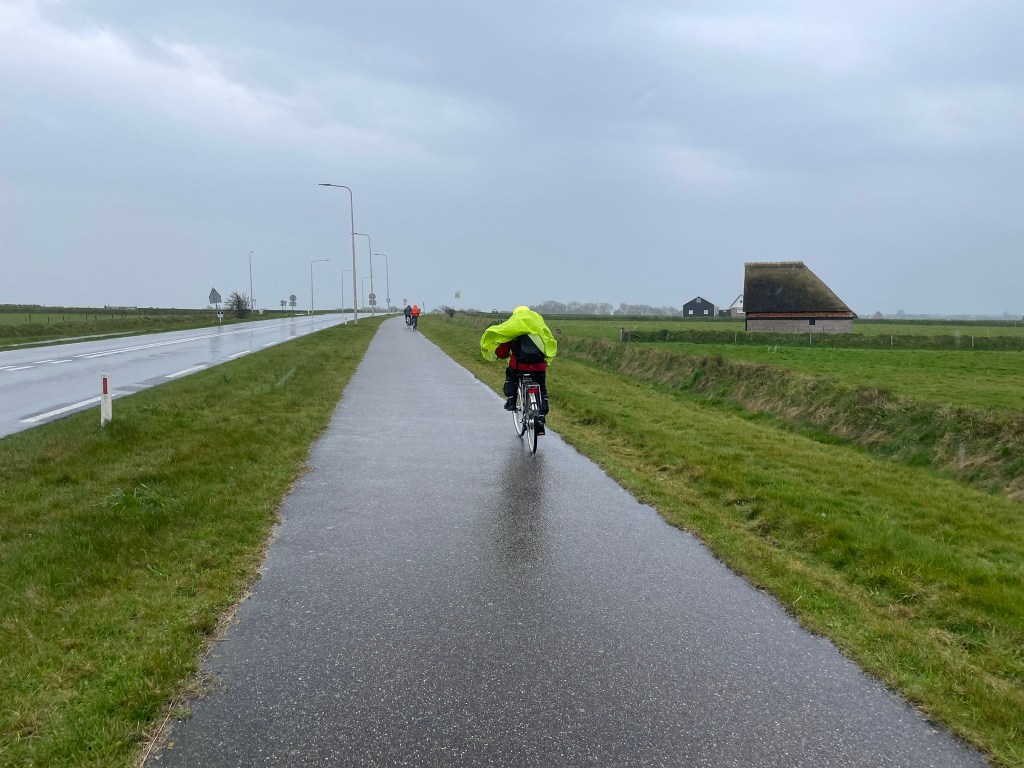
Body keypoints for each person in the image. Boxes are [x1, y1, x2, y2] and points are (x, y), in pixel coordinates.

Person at [480, 305, 557, 417]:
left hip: (518, 367)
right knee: (541, 384)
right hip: (538, 367)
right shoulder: (540, 331)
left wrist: (498, 352)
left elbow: (502, 353)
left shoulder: (512, 330)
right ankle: (544, 404)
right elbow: (549, 346)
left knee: (511, 377)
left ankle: (511, 401)